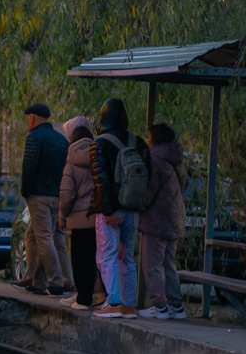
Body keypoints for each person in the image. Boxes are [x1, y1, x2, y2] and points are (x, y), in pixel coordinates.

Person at [88, 98, 144, 319]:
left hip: (111, 209)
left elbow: (100, 179)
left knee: (107, 253)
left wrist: (109, 210)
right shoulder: (137, 142)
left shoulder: (100, 143)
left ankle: (113, 302)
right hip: (133, 207)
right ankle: (129, 305)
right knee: (127, 256)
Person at [19, 102, 74, 296]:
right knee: (32, 235)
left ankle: (55, 280)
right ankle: (36, 279)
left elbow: (29, 167)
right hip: (56, 196)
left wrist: (26, 191)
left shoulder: (34, 137)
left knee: (43, 237)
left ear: (32, 118)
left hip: (38, 195)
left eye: (28, 119)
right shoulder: (61, 140)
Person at [138, 122, 188, 319]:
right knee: (169, 263)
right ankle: (176, 306)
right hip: (174, 218)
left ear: (154, 139)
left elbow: (148, 190)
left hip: (156, 219)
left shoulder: (154, 160)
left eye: (148, 136)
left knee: (152, 264)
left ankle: (159, 305)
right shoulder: (175, 160)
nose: (146, 139)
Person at [58, 116, 99, 309]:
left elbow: (67, 193)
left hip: (78, 218)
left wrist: (62, 214)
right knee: (91, 258)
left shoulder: (71, 161)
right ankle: (88, 295)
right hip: (96, 217)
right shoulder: (98, 155)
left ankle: (83, 298)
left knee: (78, 258)